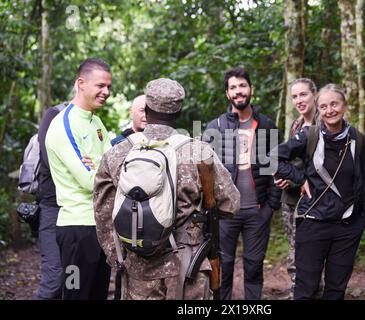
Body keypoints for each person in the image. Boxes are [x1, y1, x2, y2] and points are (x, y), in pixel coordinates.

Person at [93, 78, 240, 300]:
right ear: (179, 112)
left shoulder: (118, 153)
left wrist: (119, 258)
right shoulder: (198, 151)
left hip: (137, 268)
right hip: (187, 267)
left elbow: (103, 211)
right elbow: (231, 204)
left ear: (148, 109)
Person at [271, 84, 365, 300]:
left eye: (334, 104)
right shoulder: (309, 135)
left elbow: (364, 180)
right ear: (319, 109)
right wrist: (299, 178)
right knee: (306, 288)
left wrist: (361, 217)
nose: (329, 110)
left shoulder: (359, 140)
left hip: (347, 226)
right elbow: (272, 157)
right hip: (313, 222)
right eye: (323, 106)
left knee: (336, 290)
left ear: (344, 106)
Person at [204, 67, 281, 300]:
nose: (239, 92)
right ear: (227, 94)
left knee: (254, 266)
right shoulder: (215, 127)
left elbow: (276, 167)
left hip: (257, 211)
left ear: (251, 89)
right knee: (223, 267)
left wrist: (271, 206)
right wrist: (212, 206)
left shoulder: (266, 125)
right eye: (233, 87)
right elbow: (204, 171)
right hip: (226, 213)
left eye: (242, 86)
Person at [45, 58, 113, 300]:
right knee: (75, 294)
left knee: (98, 295)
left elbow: (112, 164)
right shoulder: (64, 124)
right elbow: (90, 181)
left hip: (101, 227)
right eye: (100, 86)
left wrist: (102, 169)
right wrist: (102, 170)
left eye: (109, 87)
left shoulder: (96, 122)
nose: (106, 92)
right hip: (76, 232)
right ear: (81, 83)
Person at [274, 78, 319, 298]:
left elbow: (322, 165)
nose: (299, 100)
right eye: (294, 96)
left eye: (303, 95)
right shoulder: (296, 125)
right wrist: (284, 178)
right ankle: (297, 292)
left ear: (314, 95)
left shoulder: (324, 122)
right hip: (291, 198)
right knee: (294, 248)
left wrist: (294, 178)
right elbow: (288, 159)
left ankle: (314, 292)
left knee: (314, 250)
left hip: (315, 199)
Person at [34, 103, 67, 299]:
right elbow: (51, 163)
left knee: (72, 278)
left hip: (76, 213)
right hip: (52, 207)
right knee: (54, 277)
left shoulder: (92, 122)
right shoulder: (54, 115)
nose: (105, 92)